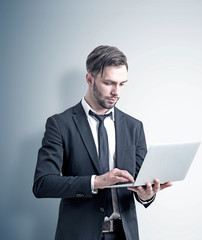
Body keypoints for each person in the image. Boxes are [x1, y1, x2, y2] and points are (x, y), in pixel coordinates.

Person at [33, 45, 172, 240]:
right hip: (78, 234)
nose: (116, 91)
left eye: (122, 84)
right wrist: (96, 182)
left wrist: (146, 195)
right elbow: (43, 184)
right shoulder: (59, 124)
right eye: (109, 83)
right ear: (90, 79)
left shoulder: (134, 127)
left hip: (124, 234)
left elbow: (140, 183)